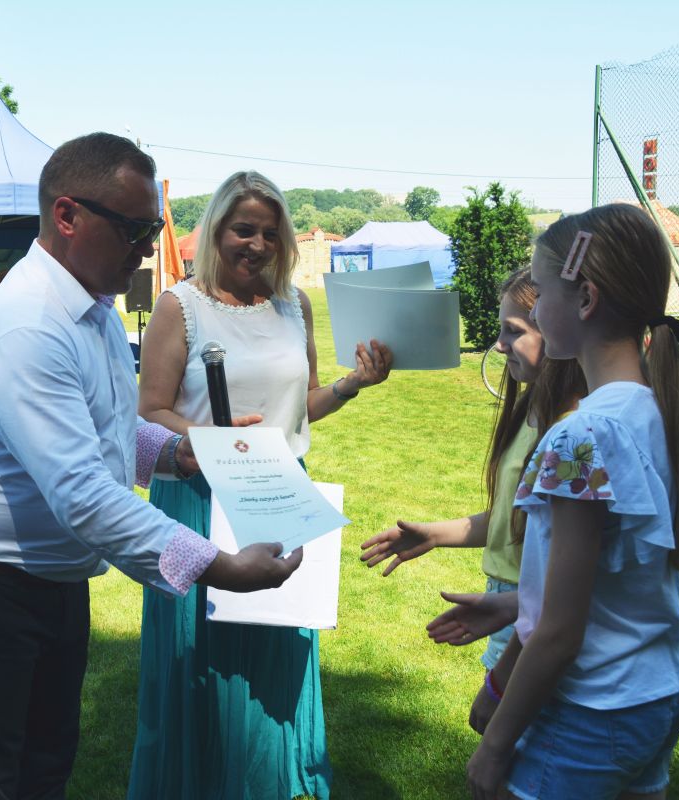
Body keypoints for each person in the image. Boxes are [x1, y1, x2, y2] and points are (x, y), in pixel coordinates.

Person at [0, 135, 304, 800]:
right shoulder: (29, 326)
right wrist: (218, 567)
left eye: (151, 229)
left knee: (43, 769)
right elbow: (84, 496)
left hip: (50, 579)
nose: (147, 248)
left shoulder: (90, 308)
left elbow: (111, 430)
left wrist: (179, 451)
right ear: (68, 216)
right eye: (133, 229)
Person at [129, 171, 392, 800]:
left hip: (279, 491)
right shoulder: (179, 306)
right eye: (243, 230)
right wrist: (210, 438)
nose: (257, 245)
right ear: (217, 229)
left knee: (276, 639)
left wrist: (352, 385)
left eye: (270, 234)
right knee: (203, 650)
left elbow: (302, 404)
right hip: (199, 493)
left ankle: (269, 780)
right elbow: (150, 412)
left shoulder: (292, 305)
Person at [466, 203, 679, 800]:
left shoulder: (581, 436)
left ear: (585, 299)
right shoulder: (657, 412)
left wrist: (494, 746)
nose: (535, 309)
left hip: (593, 709)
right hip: (659, 695)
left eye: (542, 291)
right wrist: (514, 606)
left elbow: (559, 632)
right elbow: (607, 579)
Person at [360, 267, 585, 670]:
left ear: (556, 330)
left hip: (534, 610)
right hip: (511, 602)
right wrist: (433, 534)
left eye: (514, 331)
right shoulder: (531, 410)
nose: (499, 345)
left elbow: (578, 567)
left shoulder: (572, 433)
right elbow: (513, 520)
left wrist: (518, 610)